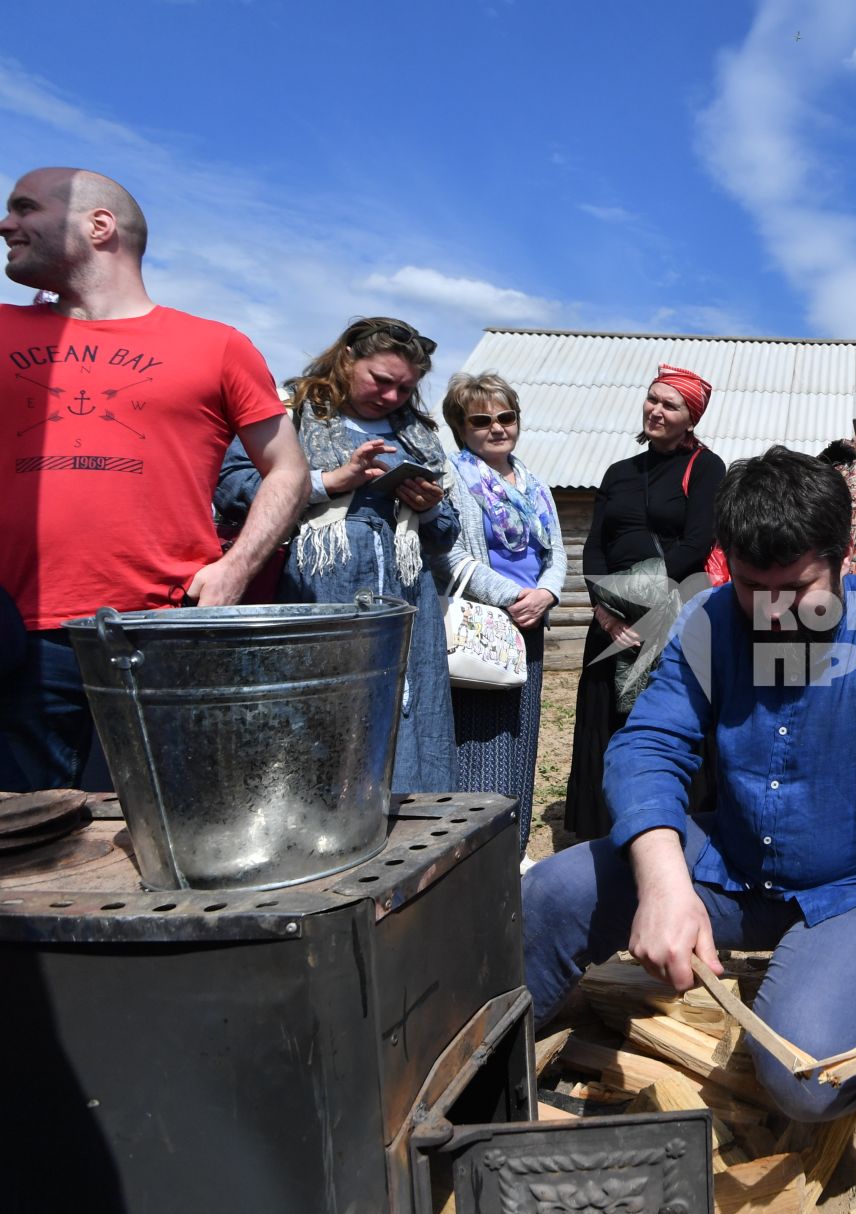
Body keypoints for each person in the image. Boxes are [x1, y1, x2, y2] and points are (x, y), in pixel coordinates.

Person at [523, 447, 856, 1128]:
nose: (776, 612)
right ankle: (500, 1055)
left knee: (804, 1084)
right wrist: (665, 887)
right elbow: (649, 747)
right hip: (735, 862)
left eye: (800, 589)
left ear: (844, 554)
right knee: (552, 892)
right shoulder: (710, 619)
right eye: (754, 588)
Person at [0, 167, 306, 792]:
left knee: (157, 844)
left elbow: (288, 469)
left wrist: (237, 566)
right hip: (16, 638)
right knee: (24, 854)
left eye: (24, 207)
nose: (6, 224)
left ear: (99, 225)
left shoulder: (216, 345)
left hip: (165, 635)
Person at [215, 317, 458, 793]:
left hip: (405, 595)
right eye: (381, 381)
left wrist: (427, 508)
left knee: (410, 706)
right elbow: (233, 487)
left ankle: (412, 827)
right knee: (320, 708)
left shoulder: (418, 435)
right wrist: (329, 483)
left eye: (405, 389)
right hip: (318, 592)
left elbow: (445, 532)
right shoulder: (290, 412)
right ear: (347, 358)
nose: (391, 397)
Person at [565, 365, 725, 840]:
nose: (656, 409)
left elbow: (697, 542)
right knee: (607, 719)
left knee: (663, 719)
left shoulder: (707, 468)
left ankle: (675, 826)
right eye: (652, 399)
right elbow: (596, 545)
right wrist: (603, 606)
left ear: (690, 418)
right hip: (610, 618)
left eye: (670, 404)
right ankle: (602, 826)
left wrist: (641, 602)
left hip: (668, 616)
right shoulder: (619, 472)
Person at [443, 372, 567, 851]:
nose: (496, 428)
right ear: (461, 427)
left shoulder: (534, 484)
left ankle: (510, 852)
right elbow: (450, 555)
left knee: (522, 734)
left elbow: (556, 552)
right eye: (481, 421)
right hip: (484, 625)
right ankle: (475, 855)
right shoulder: (453, 479)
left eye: (505, 417)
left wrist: (547, 594)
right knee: (478, 741)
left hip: (529, 625)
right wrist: (513, 597)